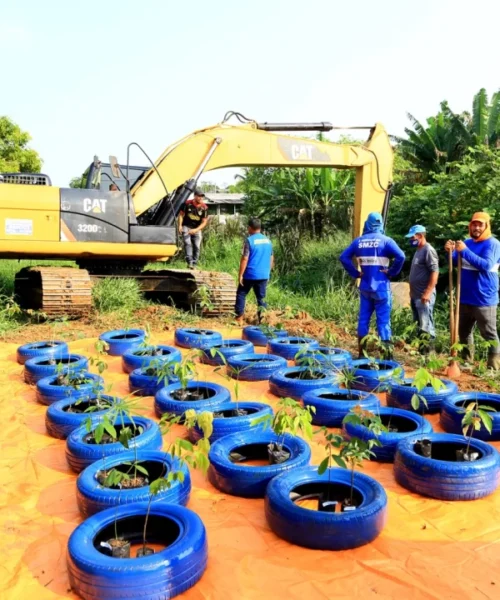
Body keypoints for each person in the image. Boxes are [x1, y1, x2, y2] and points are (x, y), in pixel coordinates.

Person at [340, 212, 405, 358]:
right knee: (383, 321)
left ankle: (362, 354)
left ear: (367, 223)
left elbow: (343, 257)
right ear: (380, 224)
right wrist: (392, 272)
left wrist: (356, 273)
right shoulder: (386, 241)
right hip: (382, 287)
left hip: (365, 287)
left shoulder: (358, 242)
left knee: (363, 320)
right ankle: (386, 357)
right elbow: (401, 256)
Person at [445, 212, 500, 370]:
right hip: (465, 297)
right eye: (474, 224)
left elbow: (486, 265)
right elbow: (456, 261)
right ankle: (466, 362)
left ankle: (493, 368)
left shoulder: (493, 244)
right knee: (464, 332)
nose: (476, 227)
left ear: (486, 226)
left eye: (480, 225)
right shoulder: (467, 242)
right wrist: (450, 251)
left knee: (489, 334)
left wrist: (464, 251)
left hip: (484, 298)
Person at [406, 224, 439, 353]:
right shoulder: (419, 250)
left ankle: (428, 354)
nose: (411, 240)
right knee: (419, 324)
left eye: (412, 237)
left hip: (424, 295)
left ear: (420, 235)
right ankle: (422, 352)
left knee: (426, 325)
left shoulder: (428, 250)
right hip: (416, 295)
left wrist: (428, 292)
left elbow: (435, 271)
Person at [235, 217, 274, 324]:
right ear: (260, 228)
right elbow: (271, 258)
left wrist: (240, 275)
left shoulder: (249, 240)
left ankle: (239, 318)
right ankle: (262, 320)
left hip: (250, 274)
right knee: (261, 298)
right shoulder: (268, 240)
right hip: (263, 274)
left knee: (241, 294)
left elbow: (245, 258)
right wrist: (268, 272)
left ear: (250, 228)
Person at [178, 189, 209, 269]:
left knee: (197, 246)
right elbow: (181, 215)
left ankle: (195, 263)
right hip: (186, 226)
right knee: (187, 243)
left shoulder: (204, 208)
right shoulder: (187, 204)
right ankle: (190, 262)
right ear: (195, 196)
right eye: (199, 196)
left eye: (202, 196)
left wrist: (196, 230)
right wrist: (180, 226)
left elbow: (204, 222)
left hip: (197, 228)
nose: (201, 198)